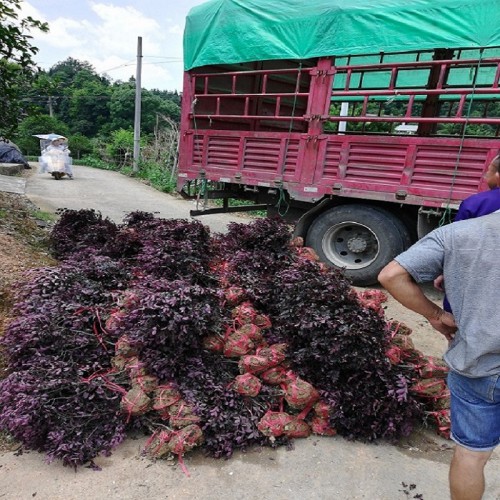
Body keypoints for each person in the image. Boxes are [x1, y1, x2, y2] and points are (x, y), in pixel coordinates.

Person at [378, 209, 500, 500]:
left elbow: (391, 275)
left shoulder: (458, 234)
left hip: (477, 366)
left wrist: (435, 315)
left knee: (471, 455)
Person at [434, 154, 500, 311]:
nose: (485, 176)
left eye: (488, 171)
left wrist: (446, 272)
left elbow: (458, 244)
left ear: (497, 176)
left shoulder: (475, 203)